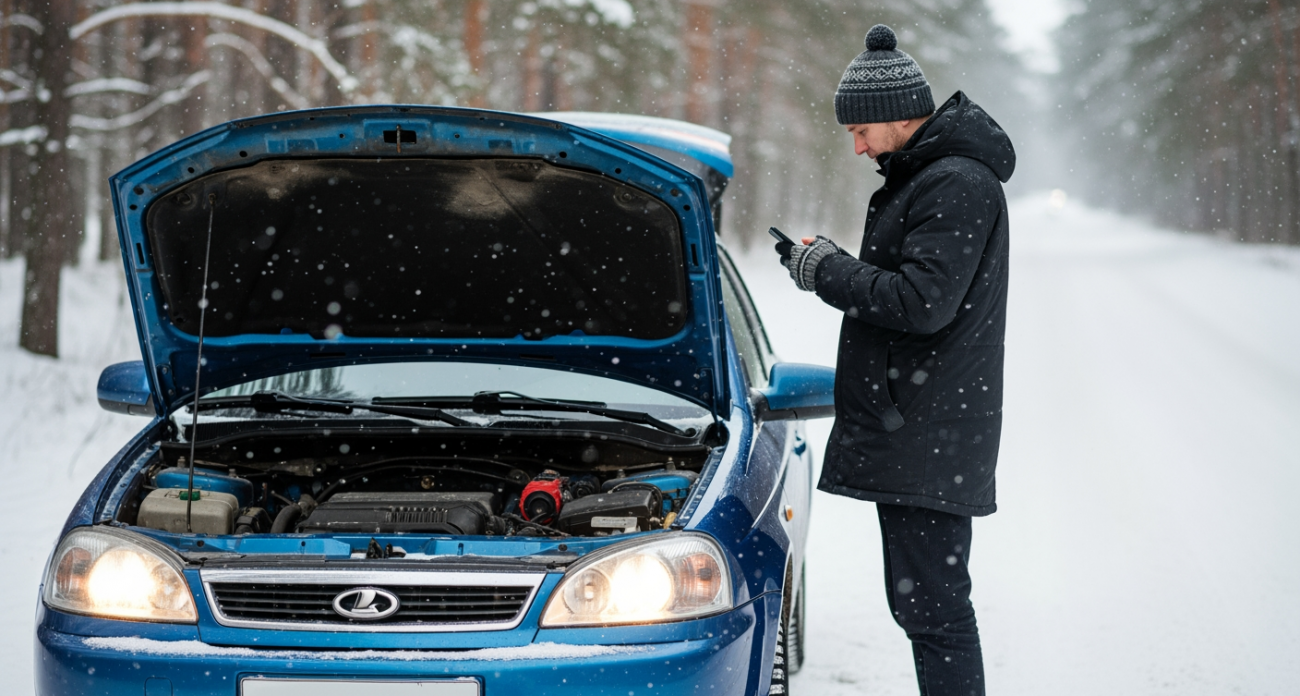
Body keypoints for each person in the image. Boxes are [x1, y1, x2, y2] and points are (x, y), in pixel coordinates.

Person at [775, 23, 1015, 696]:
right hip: (922, 425)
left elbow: (922, 302)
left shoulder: (955, 184)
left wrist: (827, 271)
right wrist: (826, 267)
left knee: (934, 610)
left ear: (896, 116)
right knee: (924, 606)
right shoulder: (931, 179)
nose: (856, 147)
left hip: (932, 428)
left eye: (861, 132)